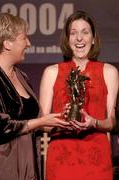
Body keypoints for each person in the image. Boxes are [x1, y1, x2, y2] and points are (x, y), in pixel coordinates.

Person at [0, 12, 70, 180]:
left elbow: (37, 120)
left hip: (28, 165)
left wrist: (61, 120)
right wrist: (40, 122)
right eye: (25, 38)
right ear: (7, 44)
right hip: (1, 168)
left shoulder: (22, 76)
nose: (29, 43)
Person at [39, 10, 119, 180]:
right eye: (73, 33)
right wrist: (63, 121)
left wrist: (94, 122)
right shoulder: (52, 72)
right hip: (61, 159)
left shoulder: (109, 72)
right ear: (67, 39)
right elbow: (41, 123)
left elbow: (112, 122)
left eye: (85, 32)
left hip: (97, 159)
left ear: (93, 37)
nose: (79, 38)